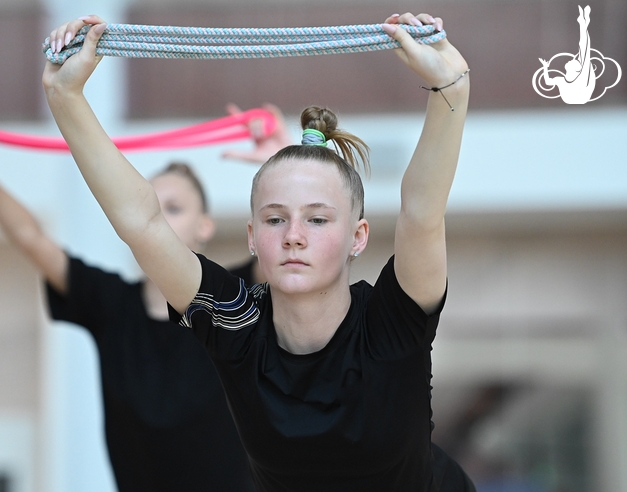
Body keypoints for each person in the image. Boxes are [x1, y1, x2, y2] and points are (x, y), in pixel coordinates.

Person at [43, 10, 475, 491]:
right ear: (252, 237)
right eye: (275, 219)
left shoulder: (393, 321)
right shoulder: (235, 324)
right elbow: (143, 223)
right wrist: (65, 96)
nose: (293, 234)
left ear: (359, 237)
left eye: (317, 218)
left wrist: (450, 93)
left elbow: (421, 211)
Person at [0, 108, 286, 491]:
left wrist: (283, 156)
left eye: (172, 209)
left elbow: (287, 246)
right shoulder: (111, 304)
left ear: (204, 227)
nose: (157, 221)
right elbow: (30, 238)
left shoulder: (234, 297)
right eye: (149, 207)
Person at [539, 5, 595, 104]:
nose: (572, 59)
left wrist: (583, 26)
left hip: (580, 99)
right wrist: (545, 67)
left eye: (575, 61)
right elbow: (548, 82)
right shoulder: (561, 80)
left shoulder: (582, 77)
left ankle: (583, 23)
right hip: (571, 100)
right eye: (575, 60)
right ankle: (583, 23)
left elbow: (584, 48)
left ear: (577, 69)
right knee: (583, 50)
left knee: (584, 50)